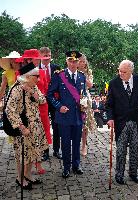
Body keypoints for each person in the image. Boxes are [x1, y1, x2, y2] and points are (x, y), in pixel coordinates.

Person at [106, 60, 138, 184]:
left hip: (136, 121)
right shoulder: (113, 83)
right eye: (119, 71)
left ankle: (133, 173)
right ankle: (119, 175)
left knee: (135, 148)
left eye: (124, 72)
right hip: (120, 122)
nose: (121, 73)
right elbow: (109, 104)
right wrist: (110, 118)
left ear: (131, 71)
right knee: (121, 150)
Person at [5, 62, 48, 189]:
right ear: (28, 76)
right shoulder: (16, 89)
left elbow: (42, 100)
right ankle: (20, 178)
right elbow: (10, 110)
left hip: (35, 127)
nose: (39, 79)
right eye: (36, 76)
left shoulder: (32, 86)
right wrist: (21, 127)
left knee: (31, 153)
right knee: (21, 154)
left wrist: (31, 91)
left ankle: (28, 175)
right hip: (23, 128)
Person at [47, 50, 86, 178]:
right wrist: (59, 106)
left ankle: (76, 165)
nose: (73, 64)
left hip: (77, 116)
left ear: (78, 62)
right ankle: (66, 167)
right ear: (66, 61)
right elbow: (50, 95)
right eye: (70, 61)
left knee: (76, 142)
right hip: (64, 116)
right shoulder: (59, 76)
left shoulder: (81, 76)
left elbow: (83, 95)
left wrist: (84, 103)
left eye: (75, 61)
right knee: (65, 143)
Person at [20, 49, 50, 174]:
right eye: (36, 58)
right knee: (28, 138)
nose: (39, 60)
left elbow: (46, 90)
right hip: (25, 109)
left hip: (41, 108)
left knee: (40, 135)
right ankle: (27, 167)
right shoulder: (20, 73)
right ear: (28, 60)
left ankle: (38, 162)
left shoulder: (42, 73)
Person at [39, 47, 62, 160]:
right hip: (41, 102)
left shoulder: (56, 68)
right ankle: (45, 151)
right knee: (44, 126)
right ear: (40, 56)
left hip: (54, 101)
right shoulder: (35, 69)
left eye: (49, 55)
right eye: (45, 55)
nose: (47, 57)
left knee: (57, 125)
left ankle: (57, 150)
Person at [0, 51, 22, 144]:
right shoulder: (6, 73)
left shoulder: (25, 70)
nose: (14, 61)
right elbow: (2, 88)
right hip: (11, 101)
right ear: (10, 61)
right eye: (12, 59)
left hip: (23, 100)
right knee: (12, 122)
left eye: (16, 59)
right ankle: (15, 144)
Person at [77, 54, 97, 156]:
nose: (81, 63)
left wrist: (83, 76)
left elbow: (90, 85)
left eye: (83, 61)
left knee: (85, 124)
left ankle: (84, 145)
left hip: (85, 98)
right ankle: (75, 144)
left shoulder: (88, 72)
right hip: (74, 97)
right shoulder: (72, 71)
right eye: (79, 61)